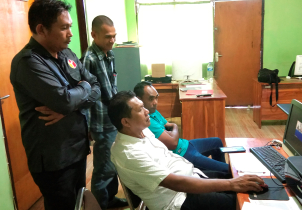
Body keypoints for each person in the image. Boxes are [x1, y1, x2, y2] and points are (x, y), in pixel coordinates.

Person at [10, 1, 100, 209]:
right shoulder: (28, 62)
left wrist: (72, 105)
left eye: (70, 26)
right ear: (41, 29)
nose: (71, 33)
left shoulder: (67, 53)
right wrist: (77, 95)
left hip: (77, 149)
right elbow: (64, 100)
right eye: (64, 27)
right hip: (54, 159)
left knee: (79, 202)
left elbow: (95, 86)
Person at [108, 91, 265, 210]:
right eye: (140, 109)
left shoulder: (142, 130)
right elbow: (176, 184)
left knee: (245, 180)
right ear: (126, 122)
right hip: (178, 200)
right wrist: (231, 184)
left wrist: (231, 182)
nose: (147, 111)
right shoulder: (128, 154)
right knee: (244, 202)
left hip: (191, 178)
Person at [134, 81, 229, 174]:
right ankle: (224, 175)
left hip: (186, 144)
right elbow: (173, 143)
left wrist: (171, 132)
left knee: (216, 142)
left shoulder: (153, 111)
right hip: (183, 155)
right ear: (139, 100)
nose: (155, 102)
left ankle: (222, 175)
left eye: (156, 98)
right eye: (151, 99)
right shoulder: (147, 121)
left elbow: (168, 128)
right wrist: (175, 126)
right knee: (228, 169)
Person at [81, 15, 127, 209]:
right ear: (94, 35)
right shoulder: (89, 59)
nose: (112, 40)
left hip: (112, 118)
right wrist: (88, 127)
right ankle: (100, 205)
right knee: (103, 169)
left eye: (114, 36)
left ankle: (111, 199)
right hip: (100, 122)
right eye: (108, 36)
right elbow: (86, 98)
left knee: (114, 163)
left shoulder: (109, 54)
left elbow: (112, 89)